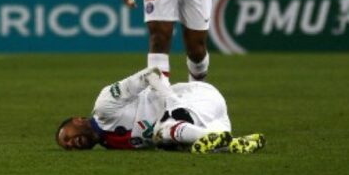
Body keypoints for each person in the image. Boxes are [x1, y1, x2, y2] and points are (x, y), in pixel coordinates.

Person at [56, 67, 264, 153]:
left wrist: (175, 106)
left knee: (163, 130)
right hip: (209, 119)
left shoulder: (104, 106)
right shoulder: (110, 143)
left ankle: (214, 137)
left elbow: (151, 74)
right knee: (174, 142)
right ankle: (236, 143)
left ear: (78, 120)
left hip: (196, 98)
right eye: (67, 147)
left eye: (67, 137)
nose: (70, 144)